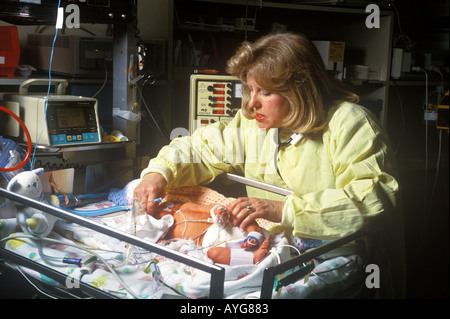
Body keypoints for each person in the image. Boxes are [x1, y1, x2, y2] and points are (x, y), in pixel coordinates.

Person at [134, 32, 405, 298]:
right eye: (250, 89)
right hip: (270, 244)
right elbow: (201, 148)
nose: (252, 103)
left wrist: (282, 209)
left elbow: (375, 199)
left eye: (265, 91)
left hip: (334, 252)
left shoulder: (351, 124)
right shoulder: (257, 125)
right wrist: (160, 172)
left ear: (300, 89)